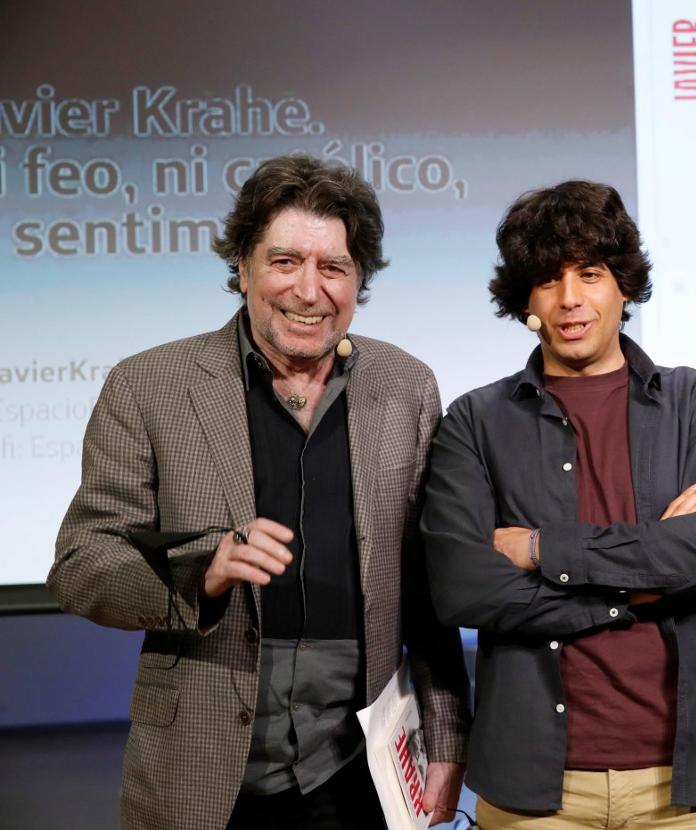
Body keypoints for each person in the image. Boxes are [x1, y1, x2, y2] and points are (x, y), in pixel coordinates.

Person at [48, 154, 471, 830]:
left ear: (359, 281)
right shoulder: (149, 386)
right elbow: (80, 566)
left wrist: (447, 738)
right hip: (202, 770)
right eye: (284, 262)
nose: (309, 291)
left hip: (357, 777)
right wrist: (200, 574)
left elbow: (429, 586)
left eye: (333, 267)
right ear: (241, 267)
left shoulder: (406, 387)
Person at [421, 180, 696, 828]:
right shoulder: (476, 420)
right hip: (534, 791)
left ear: (624, 285)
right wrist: (640, 587)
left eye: (592, 274)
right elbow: (463, 587)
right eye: (548, 279)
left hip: (687, 785)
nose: (570, 299)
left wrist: (542, 548)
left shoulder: (694, 401)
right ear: (525, 298)